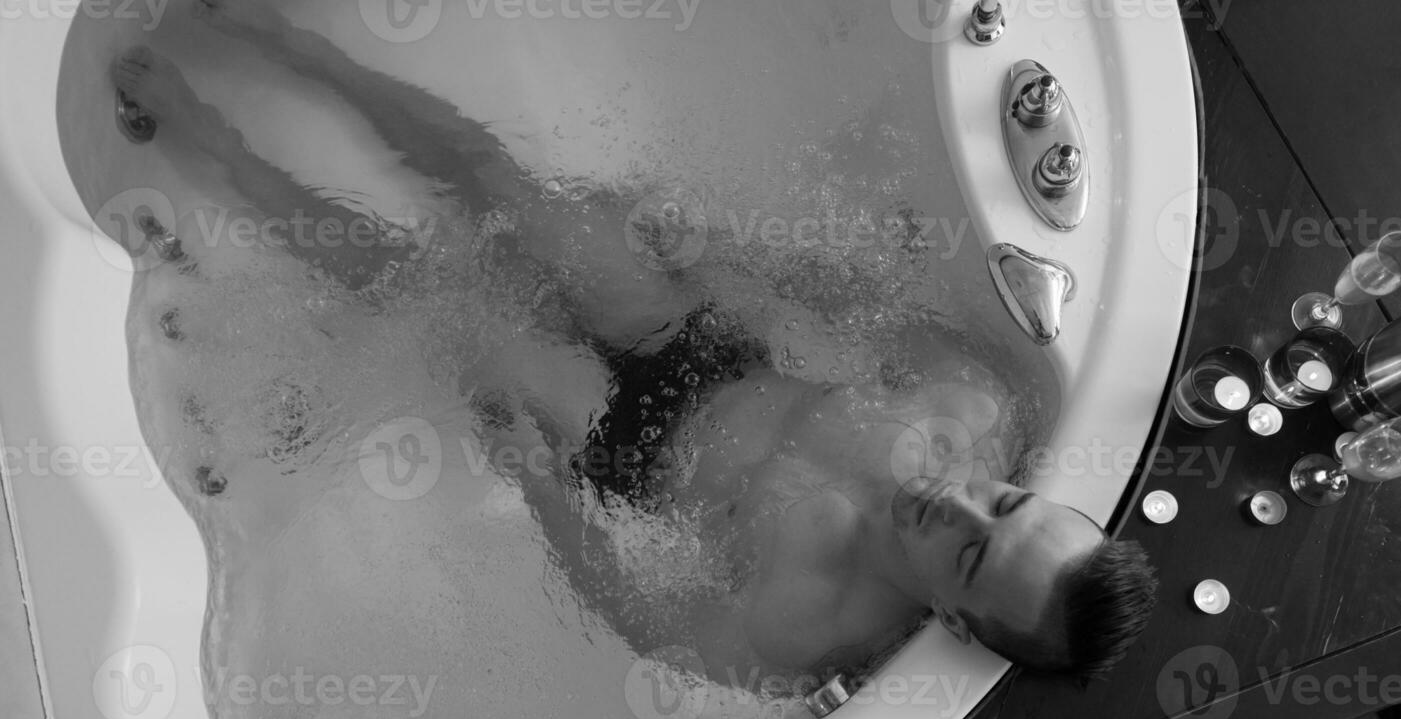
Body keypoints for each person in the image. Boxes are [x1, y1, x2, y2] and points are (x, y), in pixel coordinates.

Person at [109, 4, 1158, 684]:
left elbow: (643, 620)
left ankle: (209, 145)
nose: (963, 501)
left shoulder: (809, 623)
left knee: (418, 284)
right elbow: (851, 291)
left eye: (972, 549)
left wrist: (539, 484)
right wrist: (721, 253)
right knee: (491, 174)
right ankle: (284, 44)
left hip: (623, 445)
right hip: (709, 339)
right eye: (1010, 500)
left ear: (957, 619)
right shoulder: (970, 405)